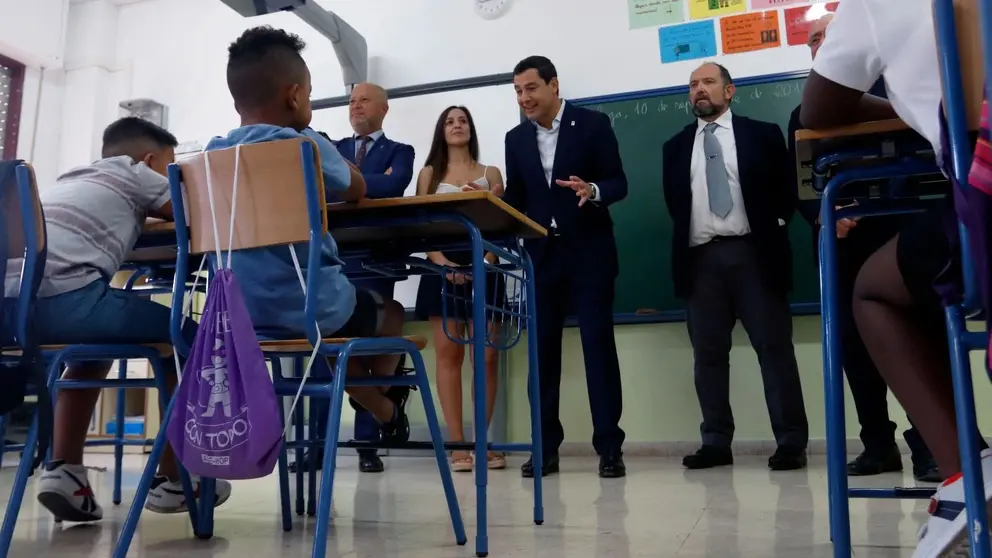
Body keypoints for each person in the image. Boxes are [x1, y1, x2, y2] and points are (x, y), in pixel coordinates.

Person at [801, 1, 990, 555]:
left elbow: (819, 107)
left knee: (877, 290)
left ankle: (962, 475)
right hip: (893, 226)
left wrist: (904, 101)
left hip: (972, 213)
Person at [208, 26, 412, 468]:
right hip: (314, 309)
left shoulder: (211, 157)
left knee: (326, 340)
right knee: (386, 314)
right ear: (296, 95)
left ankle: (381, 407)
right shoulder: (306, 143)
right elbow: (356, 187)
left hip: (235, 315)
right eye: (313, 95)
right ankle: (381, 401)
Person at [31, 117, 232, 522]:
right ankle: (176, 477)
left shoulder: (69, 178)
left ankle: (64, 470)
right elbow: (197, 211)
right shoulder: (136, 173)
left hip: (15, 312)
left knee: (91, 351)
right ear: (150, 160)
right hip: (70, 300)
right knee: (189, 336)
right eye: (169, 167)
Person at [788, 13, 941, 482]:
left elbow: (924, 163)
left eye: (828, 36)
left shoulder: (897, 95)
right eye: (813, 40)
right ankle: (877, 443)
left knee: (921, 335)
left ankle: (933, 445)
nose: (820, 44)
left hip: (901, 228)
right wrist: (825, 218)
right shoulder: (803, 113)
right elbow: (800, 188)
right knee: (854, 347)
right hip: (844, 242)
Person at [663, 62, 809, 471]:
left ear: (729, 91)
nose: (699, 90)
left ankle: (791, 442)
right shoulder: (674, 146)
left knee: (774, 350)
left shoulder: (762, 134)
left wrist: (770, 228)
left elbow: (786, 190)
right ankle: (715, 442)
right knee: (708, 355)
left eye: (708, 82)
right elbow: (676, 205)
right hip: (700, 259)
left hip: (754, 254)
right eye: (693, 85)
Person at [504, 55, 628, 479]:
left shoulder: (593, 124)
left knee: (597, 350)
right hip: (542, 257)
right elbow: (518, 201)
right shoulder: (515, 139)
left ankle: (610, 448)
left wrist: (591, 190)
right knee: (542, 357)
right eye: (518, 91)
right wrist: (489, 204)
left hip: (590, 252)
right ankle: (545, 449)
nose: (524, 98)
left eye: (531, 88)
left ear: (553, 85)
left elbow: (618, 182)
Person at [292, 82, 416, 475]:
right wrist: (361, 181)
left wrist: (351, 181)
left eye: (364, 100)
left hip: (376, 258)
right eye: (351, 101)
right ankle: (316, 446)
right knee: (320, 354)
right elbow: (325, 185)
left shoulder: (401, 151)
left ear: (383, 108)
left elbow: (391, 185)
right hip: (335, 258)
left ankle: (368, 443)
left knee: (366, 349)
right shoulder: (333, 147)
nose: (356, 105)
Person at [413, 105, 506, 472]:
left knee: (486, 356)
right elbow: (423, 225)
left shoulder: (491, 173)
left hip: (487, 268)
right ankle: (457, 445)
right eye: (449, 121)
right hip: (440, 270)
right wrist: (444, 265)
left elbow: (500, 228)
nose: (456, 125)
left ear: (471, 128)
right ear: (441, 130)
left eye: (462, 120)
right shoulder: (429, 174)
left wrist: (483, 265)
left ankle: (480, 443)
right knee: (449, 356)